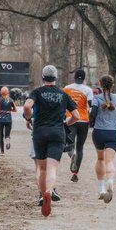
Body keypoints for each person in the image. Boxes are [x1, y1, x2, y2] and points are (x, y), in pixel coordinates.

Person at [22, 65, 79, 217]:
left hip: (40, 132)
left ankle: (42, 194)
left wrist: (29, 118)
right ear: (55, 78)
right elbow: (77, 116)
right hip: (57, 133)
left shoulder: (37, 92)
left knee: (42, 168)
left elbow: (27, 106)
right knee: (52, 168)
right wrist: (66, 123)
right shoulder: (63, 94)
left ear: (43, 77)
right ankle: (49, 191)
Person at [90, 74, 116, 203]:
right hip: (113, 133)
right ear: (112, 86)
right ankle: (110, 182)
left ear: (100, 85)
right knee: (109, 161)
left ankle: (101, 189)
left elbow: (93, 114)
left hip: (99, 133)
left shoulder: (96, 98)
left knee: (100, 159)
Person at [63, 69, 95, 183]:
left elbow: (62, 104)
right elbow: (91, 107)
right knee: (80, 147)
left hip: (70, 119)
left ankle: (72, 156)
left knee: (69, 144)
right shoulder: (88, 90)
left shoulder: (66, 88)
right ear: (84, 79)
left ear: (74, 77)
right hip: (83, 121)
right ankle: (75, 174)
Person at [0, 87, 17, 154]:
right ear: (8, 92)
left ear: (1, 93)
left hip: (1, 118)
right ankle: (7, 142)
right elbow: (15, 109)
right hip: (8, 118)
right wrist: (10, 110)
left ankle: (2, 152)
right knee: (7, 134)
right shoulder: (11, 100)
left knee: (1, 135)